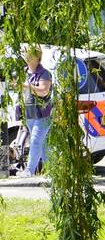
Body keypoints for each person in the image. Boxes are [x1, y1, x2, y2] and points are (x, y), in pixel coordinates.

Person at [18, 45, 53, 177]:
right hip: (29, 113)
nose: (27, 57)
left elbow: (43, 91)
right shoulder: (24, 72)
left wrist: (26, 85)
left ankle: (29, 170)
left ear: (37, 58)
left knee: (35, 140)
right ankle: (52, 170)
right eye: (26, 54)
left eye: (30, 54)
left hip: (43, 113)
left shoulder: (44, 74)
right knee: (43, 143)